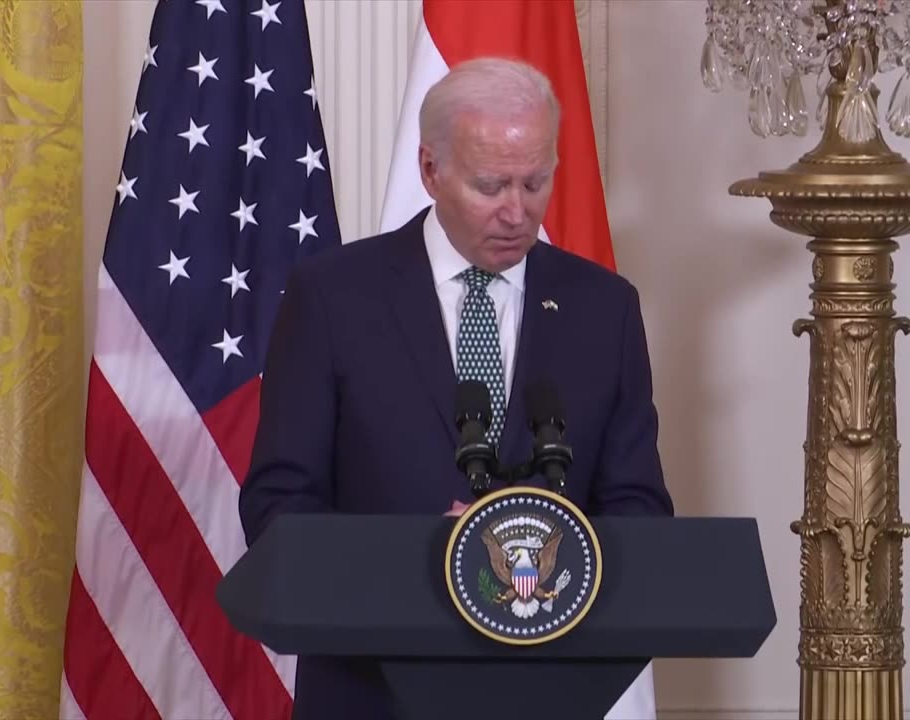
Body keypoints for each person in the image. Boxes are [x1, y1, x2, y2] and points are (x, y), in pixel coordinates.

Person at [239, 57, 674, 720]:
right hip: (373, 692)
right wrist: (423, 561)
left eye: (536, 183)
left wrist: (549, 568)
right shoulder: (333, 297)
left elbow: (638, 510)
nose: (517, 211)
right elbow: (277, 505)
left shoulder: (604, 309)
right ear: (431, 171)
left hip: (551, 689)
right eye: (491, 184)